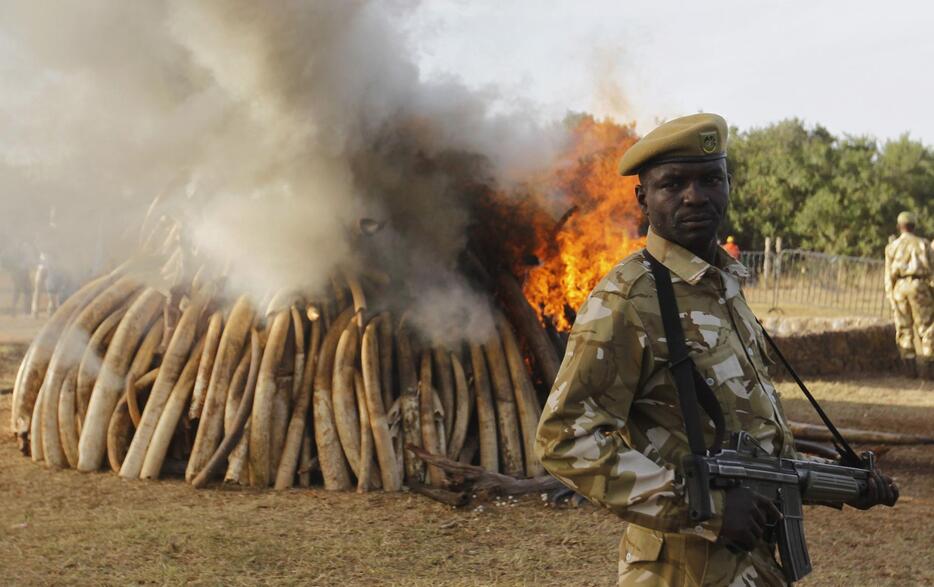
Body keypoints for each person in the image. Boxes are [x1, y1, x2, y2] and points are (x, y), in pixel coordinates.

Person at [535, 113, 898, 586]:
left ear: (728, 182)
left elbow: (755, 444)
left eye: (710, 178)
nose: (695, 195)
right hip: (678, 569)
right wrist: (701, 507)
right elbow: (565, 438)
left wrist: (845, 483)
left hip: (755, 565)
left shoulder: (725, 286)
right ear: (642, 198)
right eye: (673, 183)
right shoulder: (627, 299)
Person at [884, 211, 933, 378]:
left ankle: (909, 371)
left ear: (899, 226)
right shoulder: (923, 244)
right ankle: (928, 370)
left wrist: (890, 295)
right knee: (926, 328)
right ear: (914, 226)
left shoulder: (892, 247)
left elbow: (888, 275)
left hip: (899, 288)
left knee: (904, 328)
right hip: (919, 286)